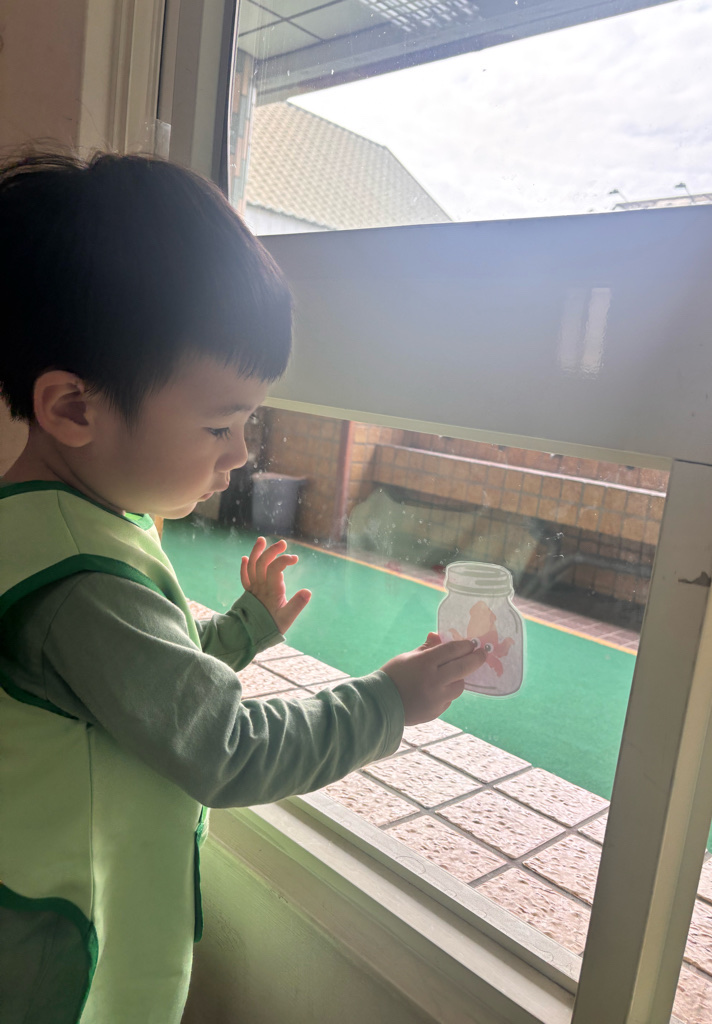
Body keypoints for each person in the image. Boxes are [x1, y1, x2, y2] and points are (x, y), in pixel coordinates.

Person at [0, 151, 486, 1024]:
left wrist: (241, 632)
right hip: (57, 969)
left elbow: (132, 684)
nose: (240, 454)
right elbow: (224, 747)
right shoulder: (82, 584)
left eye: (249, 421)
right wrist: (386, 703)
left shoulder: (49, 520)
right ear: (73, 408)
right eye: (219, 424)